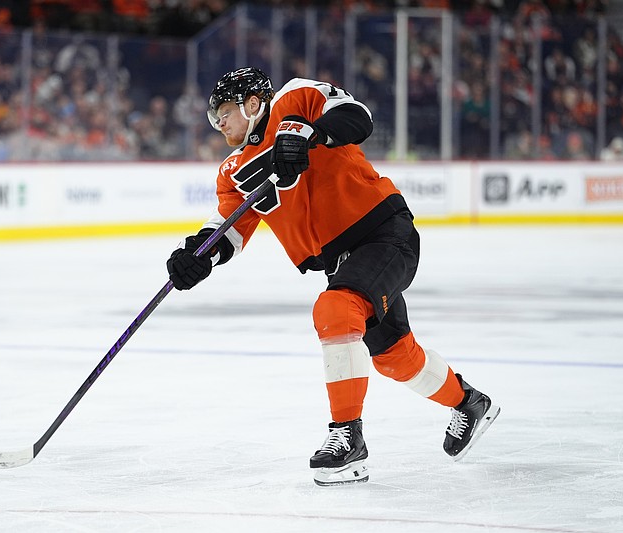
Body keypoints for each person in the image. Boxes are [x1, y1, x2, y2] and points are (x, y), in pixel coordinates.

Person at [166, 67, 500, 486]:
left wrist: (311, 133)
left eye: (225, 114)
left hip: (385, 231)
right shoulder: (233, 170)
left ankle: (348, 439)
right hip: (343, 261)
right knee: (395, 357)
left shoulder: (296, 98)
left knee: (335, 308)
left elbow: (358, 117)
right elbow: (228, 230)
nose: (221, 125)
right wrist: (197, 258)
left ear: (252, 104)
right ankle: (469, 403)